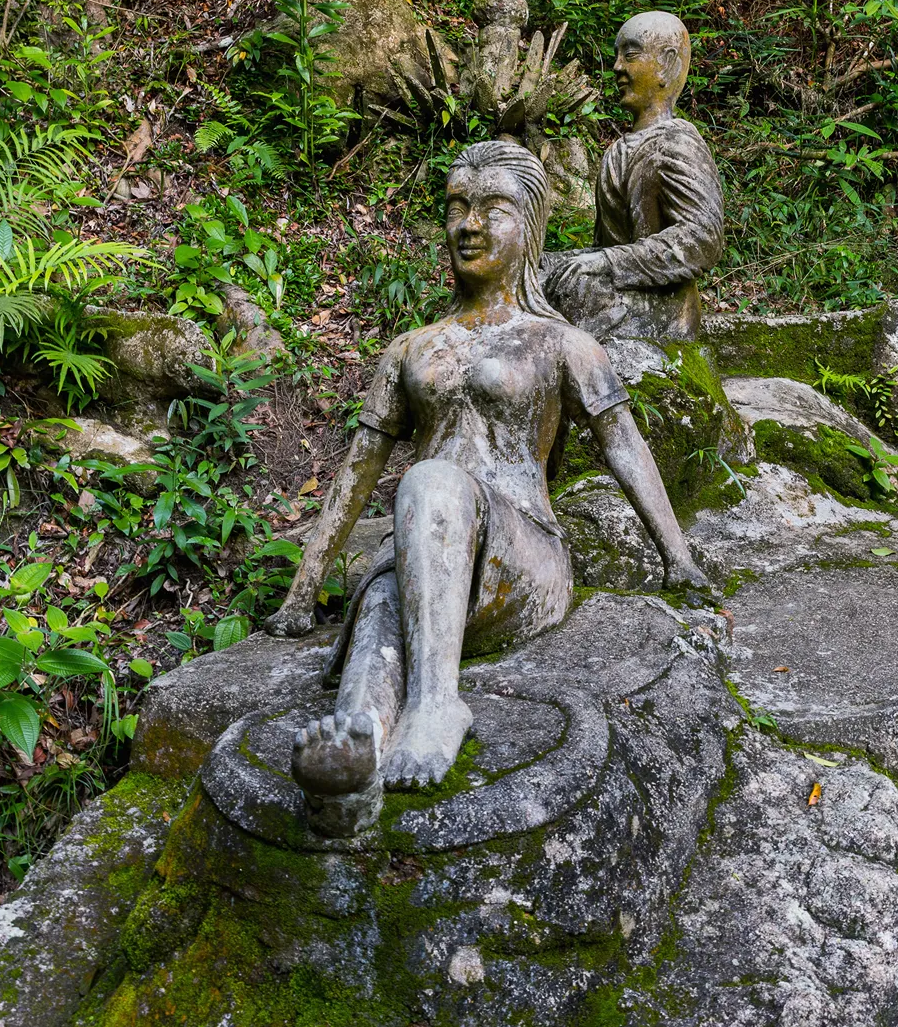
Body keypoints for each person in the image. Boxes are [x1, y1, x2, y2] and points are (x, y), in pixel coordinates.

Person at [262, 139, 711, 836]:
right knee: (382, 602)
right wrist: (301, 595)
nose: (468, 224)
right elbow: (356, 473)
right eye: (455, 208)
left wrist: (677, 558)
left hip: (520, 555)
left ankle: (437, 703)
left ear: (529, 226)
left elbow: (623, 444)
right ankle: (350, 758)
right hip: (427, 557)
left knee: (434, 480)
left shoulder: (559, 342)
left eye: (491, 209)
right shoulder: (412, 347)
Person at [543, 11, 724, 342]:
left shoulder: (676, 142)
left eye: (630, 54)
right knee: (534, 271)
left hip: (662, 306)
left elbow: (702, 239)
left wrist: (608, 263)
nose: (617, 67)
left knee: (578, 291)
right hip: (618, 287)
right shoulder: (617, 151)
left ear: (666, 64)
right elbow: (604, 248)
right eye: (617, 56)